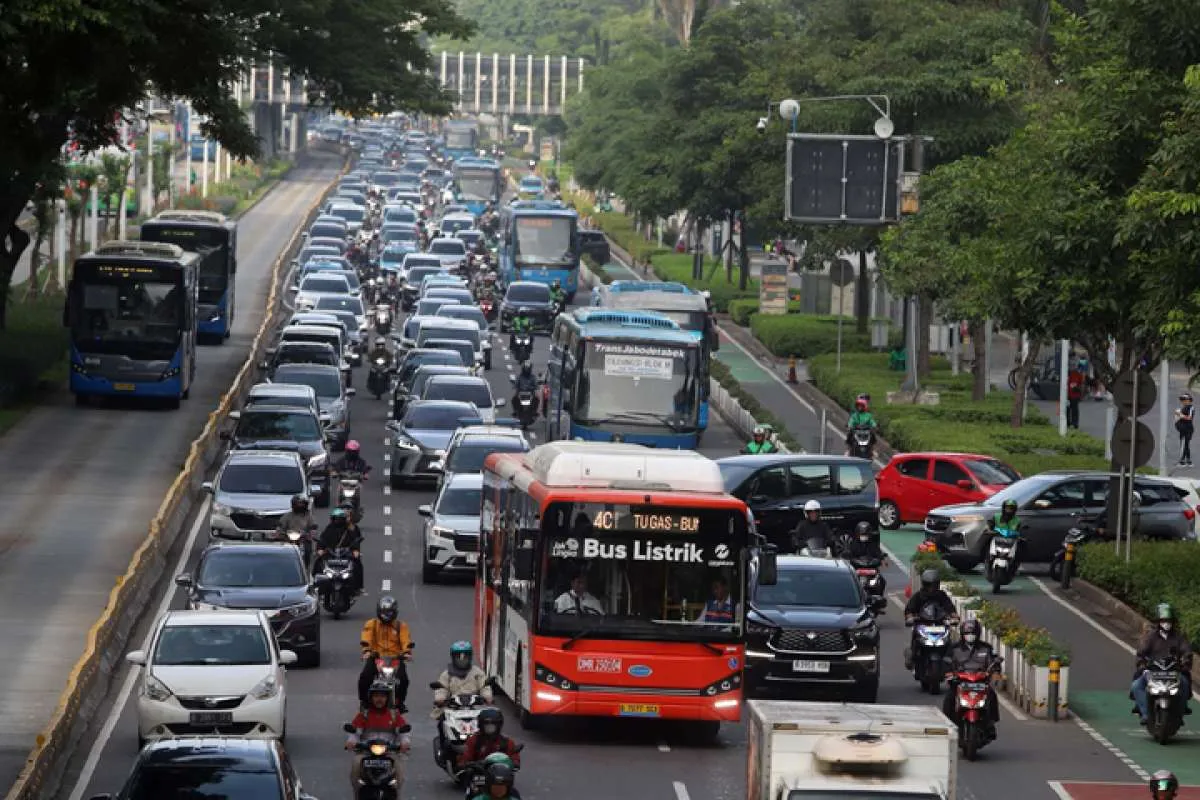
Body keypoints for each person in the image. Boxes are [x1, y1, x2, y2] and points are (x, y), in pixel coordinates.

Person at [1131, 603, 1193, 725]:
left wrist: (1185, 664)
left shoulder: (1179, 638)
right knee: (1136, 685)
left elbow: (1187, 652)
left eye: (1169, 621)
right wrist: (1142, 665)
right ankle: (1145, 713)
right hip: (1153, 671)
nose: (1166, 623)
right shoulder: (1150, 637)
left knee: (1185, 684)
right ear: (1159, 621)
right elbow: (1141, 653)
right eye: (1164, 620)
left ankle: (1180, 713)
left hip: (1173, 672)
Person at [345, 683, 411, 795]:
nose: (379, 699)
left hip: (389, 752)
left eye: (382, 696)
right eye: (376, 696)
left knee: (399, 770)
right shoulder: (364, 715)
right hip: (366, 752)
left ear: (387, 698)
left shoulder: (394, 715)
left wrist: (405, 743)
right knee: (356, 765)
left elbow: (403, 733)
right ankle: (358, 793)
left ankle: (395, 794)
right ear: (371, 698)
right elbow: (355, 732)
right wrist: (351, 742)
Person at [942, 619, 1001, 737]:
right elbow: (946, 662)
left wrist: (995, 673)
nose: (970, 636)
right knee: (949, 698)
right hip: (959, 683)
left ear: (978, 634)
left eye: (973, 633)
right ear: (962, 634)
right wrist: (948, 673)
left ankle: (990, 724)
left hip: (980, 683)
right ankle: (947, 724)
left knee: (992, 696)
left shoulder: (986, 648)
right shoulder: (954, 648)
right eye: (967, 634)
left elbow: (995, 663)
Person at [359, 595, 413, 711]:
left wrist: (406, 652)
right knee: (365, 677)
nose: (386, 615)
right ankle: (364, 701)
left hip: (395, 659)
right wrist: (367, 651)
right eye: (384, 612)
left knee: (403, 680)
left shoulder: (401, 626)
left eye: (389, 612)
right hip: (376, 658)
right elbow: (366, 638)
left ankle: (400, 702)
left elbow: (406, 641)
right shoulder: (371, 624)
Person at [903, 569, 959, 670]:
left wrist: (954, 617)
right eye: (929, 585)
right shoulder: (918, 596)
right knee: (915, 636)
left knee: (950, 640)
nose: (931, 588)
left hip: (939, 624)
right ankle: (912, 657)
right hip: (922, 624)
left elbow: (950, 608)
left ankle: (949, 658)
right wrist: (910, 617)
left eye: (934, 585)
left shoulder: (942, 596)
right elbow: (909, 610)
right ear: (924, 584)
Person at [432, 641, 493, 716]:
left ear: (470, 657)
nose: (462, 661)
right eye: (459, 658)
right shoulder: (447, 674)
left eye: (465, 658)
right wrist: (440, 698)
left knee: (491, 718)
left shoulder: (477, 672)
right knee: (442, 719)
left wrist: (487, 696)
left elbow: (484, 686)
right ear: (453, 658)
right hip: (453, 708)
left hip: (475, 707)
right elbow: (442, 688)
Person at [316, 507, 364, 595]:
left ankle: (358, 587)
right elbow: (322, 539)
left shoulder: (351, 528)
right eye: (336, 518)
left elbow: (356, 540)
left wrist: (356, 551)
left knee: (357, 564)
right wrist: (320, 550)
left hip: (346, 553)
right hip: (331, 553)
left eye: (339, 519)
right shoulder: (329, 528)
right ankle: (316, 585)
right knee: (318, 563)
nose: (337, 521)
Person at [1174, 392, 1194, 467]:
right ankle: (1187, 461)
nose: (1183, 401)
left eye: (1185, 399)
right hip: (1183, 428)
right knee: (1184, 444)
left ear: (1189, 400)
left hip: (1188, 429)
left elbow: (1189, 418)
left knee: (1185, 444)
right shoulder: (1183, 408)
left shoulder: (1191, 408)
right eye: (1182, 400)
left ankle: (1183, 461)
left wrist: (1179, 414)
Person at [1066, 358, 1087, 429]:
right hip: (1067, 394)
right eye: (1071, 365)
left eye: (1073, 365)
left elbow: (1082, 384)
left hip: (1075, 394)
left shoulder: (1078, 373)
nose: (1072, 366)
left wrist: (1081, 393)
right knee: (1067, 409)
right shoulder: (1066, 373)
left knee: (1074, 409)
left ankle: (1075, 423)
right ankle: (1068, 422)